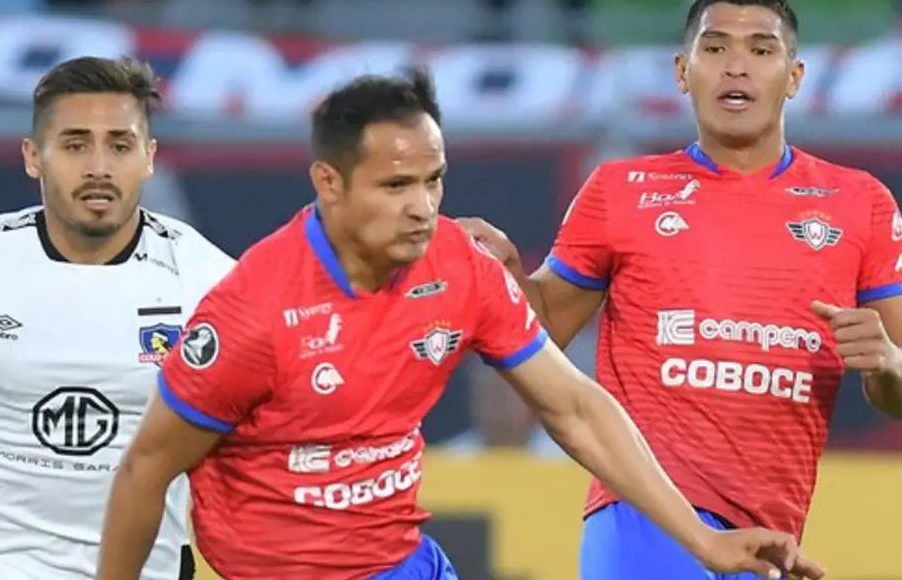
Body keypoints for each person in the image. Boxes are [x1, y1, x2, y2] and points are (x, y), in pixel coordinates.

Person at [95, 68, 823, 580]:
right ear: (329, 183)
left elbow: (573, 407)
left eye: (433, 180)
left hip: (403, 564)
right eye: (395, 185)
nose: (422, 206)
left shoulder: (459, 267)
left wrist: (701, 540)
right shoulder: (253, 311)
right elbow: (145, 470)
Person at [457, 0, 902, 578]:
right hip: (643, 517)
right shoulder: (620, 190)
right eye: (714, 48)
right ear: (682, 72)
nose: (736, 66)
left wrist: (888, 362)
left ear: (794, 76)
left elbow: (896, 393)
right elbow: (542, 336)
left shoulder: (860, 203)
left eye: (760, 50)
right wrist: (504, 277)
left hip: (772, 537)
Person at [0, 56, 235, 580]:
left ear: (149, 157)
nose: (99, 167)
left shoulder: (210, 281)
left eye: (120, 145)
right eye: (76, 145)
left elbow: (268, 435)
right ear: (34, 156)